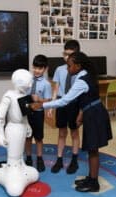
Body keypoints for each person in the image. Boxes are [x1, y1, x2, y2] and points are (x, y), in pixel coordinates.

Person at [30, 52, 113, 192]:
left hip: (94, 115)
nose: (67, 69)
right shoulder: (85, 74)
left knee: (93, 150)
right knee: (92, 149)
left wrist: (41, 105)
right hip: (92, 111)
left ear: (78, 66)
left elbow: (65, 100)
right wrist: (82, 113)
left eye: (69, 66)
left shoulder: (81, 81)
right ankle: (91, 177)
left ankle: (94, 183)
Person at [0, 69, 39, 197]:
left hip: (22, 128)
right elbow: (0, 117)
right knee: (13, 155)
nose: (30, 86)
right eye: (28, 83)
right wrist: (1, 134)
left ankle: (21, 166)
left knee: (20, 154)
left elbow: (24, 114)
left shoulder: (23, 96)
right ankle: (11, 171)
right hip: (13, 129)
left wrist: (27, 125)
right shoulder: (9, 96)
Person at [49, 39, 81, 174]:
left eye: (70, 54)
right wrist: (51, 105)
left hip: (74, 102)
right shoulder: (59, 69)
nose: (66, 57)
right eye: (65, 54)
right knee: (62, 132)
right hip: (62, 102)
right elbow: (56, 89)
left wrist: (81, 110)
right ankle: (59, 159)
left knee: (74, 132)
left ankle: (74, 160)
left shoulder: (80, 71)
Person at [25, 54, 52, 172]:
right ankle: (29, 158)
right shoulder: (27, 81)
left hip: (38, 113)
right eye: (35, 67)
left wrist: (39, 99)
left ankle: (40, 159)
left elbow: (48, 99)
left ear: (45, 69)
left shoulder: (46, 84)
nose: (36, 71)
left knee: (39, 138)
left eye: (40, 68)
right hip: (27, 113)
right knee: (28, 137)